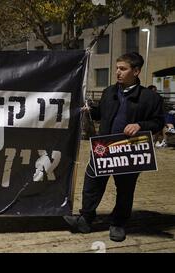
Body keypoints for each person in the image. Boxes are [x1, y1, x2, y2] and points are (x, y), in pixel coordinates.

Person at [64, 52, 165, 242]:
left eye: (123, 69)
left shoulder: (150, 98)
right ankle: (86, 218)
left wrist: (140, 125)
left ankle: (118, 223)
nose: (117, 72)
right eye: (117, 68)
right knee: (92, 182)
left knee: (125, 189)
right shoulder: (109, 92)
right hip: (103, 147)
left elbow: (159, 122)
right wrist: (90, 110)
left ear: (136, 71)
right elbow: (101, 113)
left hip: (129, 150)